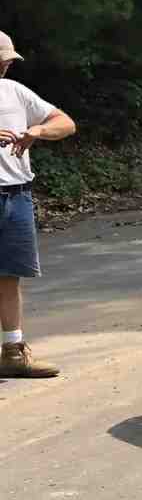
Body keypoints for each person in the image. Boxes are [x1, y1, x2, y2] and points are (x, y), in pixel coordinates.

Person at [0, 31, 77, 378]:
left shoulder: (14, 92)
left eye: (7, 61)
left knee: (9, 275)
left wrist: (37, 132)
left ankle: (13, 353)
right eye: (2, 60)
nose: (5, 66)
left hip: (16, 194)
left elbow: (65, 123)